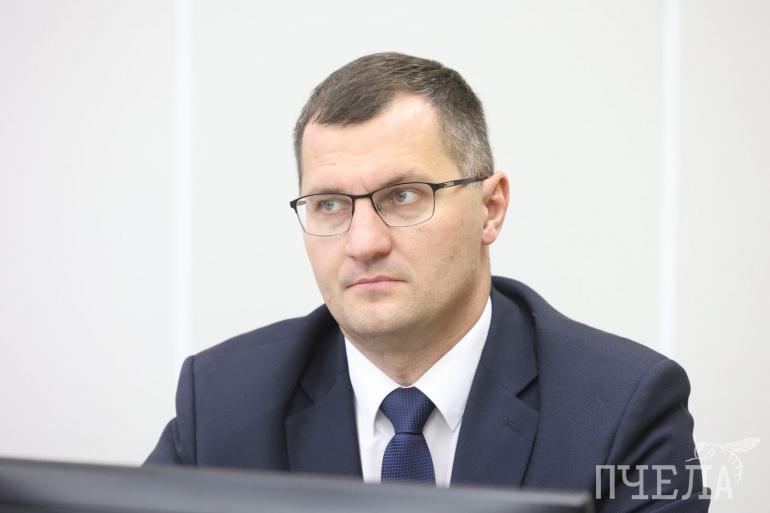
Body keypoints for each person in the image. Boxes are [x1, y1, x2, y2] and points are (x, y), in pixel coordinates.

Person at [146, 52, 708, 512]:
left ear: (490, 209)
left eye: (404, 196)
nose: (364, 243)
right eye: (330, 204)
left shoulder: (622, 410)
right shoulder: (222, 402)